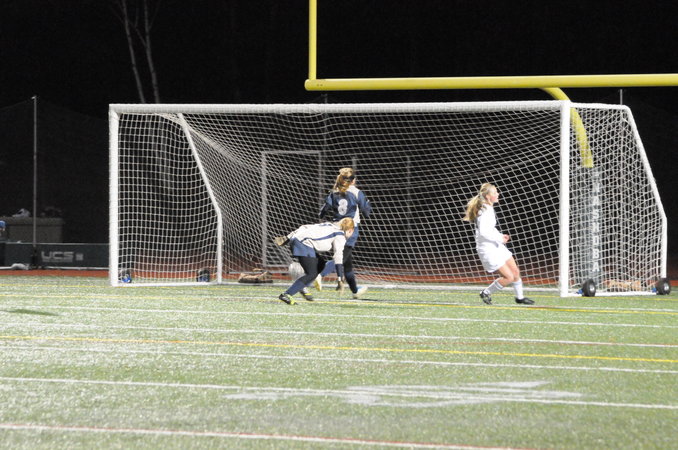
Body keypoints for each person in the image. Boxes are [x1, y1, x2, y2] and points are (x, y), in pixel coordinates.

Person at [463, 183, 534, 305]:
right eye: (495, 193)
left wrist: (500, 236)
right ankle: (485, 292)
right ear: (488, 196)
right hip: (487, 249)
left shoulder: (488, 208)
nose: (498, 194)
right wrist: (500, 239)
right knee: (509, 277)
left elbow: (489, 229)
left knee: (515, 272)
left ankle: (520, 298)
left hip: (496, 245)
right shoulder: (484, 211)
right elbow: (484, 232)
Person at [317, 167, 372, 299]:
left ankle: (355, 291)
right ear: (353, 180)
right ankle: (319, 275)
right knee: (341, 258)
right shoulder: (356, 192)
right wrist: (367, 206)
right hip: (350, 229)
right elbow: (366, 212)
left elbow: (323, 212)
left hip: (336, 228)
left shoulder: (334, 192)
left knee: (347, 263)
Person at [275, 218, 355, 305]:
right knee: (311, 273)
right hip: (303, 244)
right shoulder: (340, 235)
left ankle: (301, 286)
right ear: (350, 230)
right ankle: (287, 294)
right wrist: (340, 279)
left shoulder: (329, 225)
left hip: (298, 240)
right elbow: (338, 256)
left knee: (321, 264)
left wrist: (288, 237)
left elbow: (305, 227)